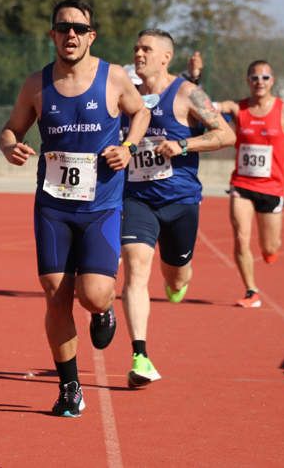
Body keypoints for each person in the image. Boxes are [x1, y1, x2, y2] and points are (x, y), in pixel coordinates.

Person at [0, 0, 149, 417]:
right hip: (53, 207)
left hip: (100, 206)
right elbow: (11, 129)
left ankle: (105, 311)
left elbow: (140, 114)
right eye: (63, 27)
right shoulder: (36, 84)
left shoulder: (114, 77)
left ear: (91, 35)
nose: (71, 35)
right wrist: (11, 146)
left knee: (94, 294)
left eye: (79, 28)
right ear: (52, 34)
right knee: (54, 293)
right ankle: (70, 387)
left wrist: (128, 147)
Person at [120, 29, 235, 388]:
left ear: (165, 57)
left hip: (180, 201)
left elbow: (226, 135)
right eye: (136, 47)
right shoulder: (126, 92)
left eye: (146, 49)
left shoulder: (186, 93)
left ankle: (178, 277)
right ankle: (140, 354)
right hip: (136, 197)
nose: (139, 54)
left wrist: (183, 145)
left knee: (176, 275)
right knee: (136, 268)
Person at [215, 60, 284, 308]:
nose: (260, 82)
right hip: (241, 184)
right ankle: (251, 291)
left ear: (272, 81)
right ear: (248, 81)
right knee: (241, 238)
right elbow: (212, 106)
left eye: (265, 78)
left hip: (272, 188)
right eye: (255, 78)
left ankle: (269, 251)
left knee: (270, 247)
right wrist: (193, 87)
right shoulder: (237, 108)